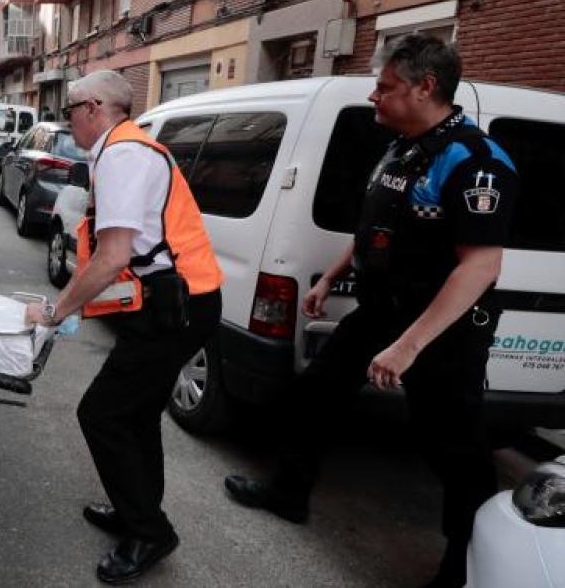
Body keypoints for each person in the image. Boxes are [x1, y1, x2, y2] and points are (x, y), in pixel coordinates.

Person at [222, 34, 518, 588]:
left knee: (454, 449)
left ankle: (462, 567)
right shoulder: (400, 148)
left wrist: (409, 346)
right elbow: (377, 226)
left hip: (443, 329)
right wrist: (333, 277)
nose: (373, 97)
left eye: (384, 87)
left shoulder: (477, 162)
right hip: (381, 308)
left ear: (425, 87)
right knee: (312, 394)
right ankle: (289, 492)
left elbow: (479, 267)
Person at [24, 70, 223, 585]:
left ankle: (149, 531)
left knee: (103, 414)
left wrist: (55, 311)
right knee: (135, 416)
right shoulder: (122, 151)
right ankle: (134, 509)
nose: (67, 120)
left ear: (94, 107)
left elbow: (111, 258)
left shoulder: (124, 155)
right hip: (172, 302)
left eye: (70, 110)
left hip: (176, 305)